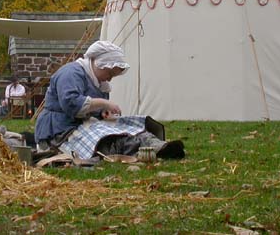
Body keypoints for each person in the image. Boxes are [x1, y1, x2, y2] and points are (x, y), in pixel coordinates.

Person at [35, 40, 184, 160]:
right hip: (61, 130)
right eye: (109, 72)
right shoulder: (70, 73)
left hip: (83, 124)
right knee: (108, 139)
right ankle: (147, 151)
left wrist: (104, 114)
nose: (111, 77)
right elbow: (71, 104)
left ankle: (157, 145)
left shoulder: (99, 83)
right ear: (100, 63)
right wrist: (104, 103)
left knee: (128, 125)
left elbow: (93, 110)